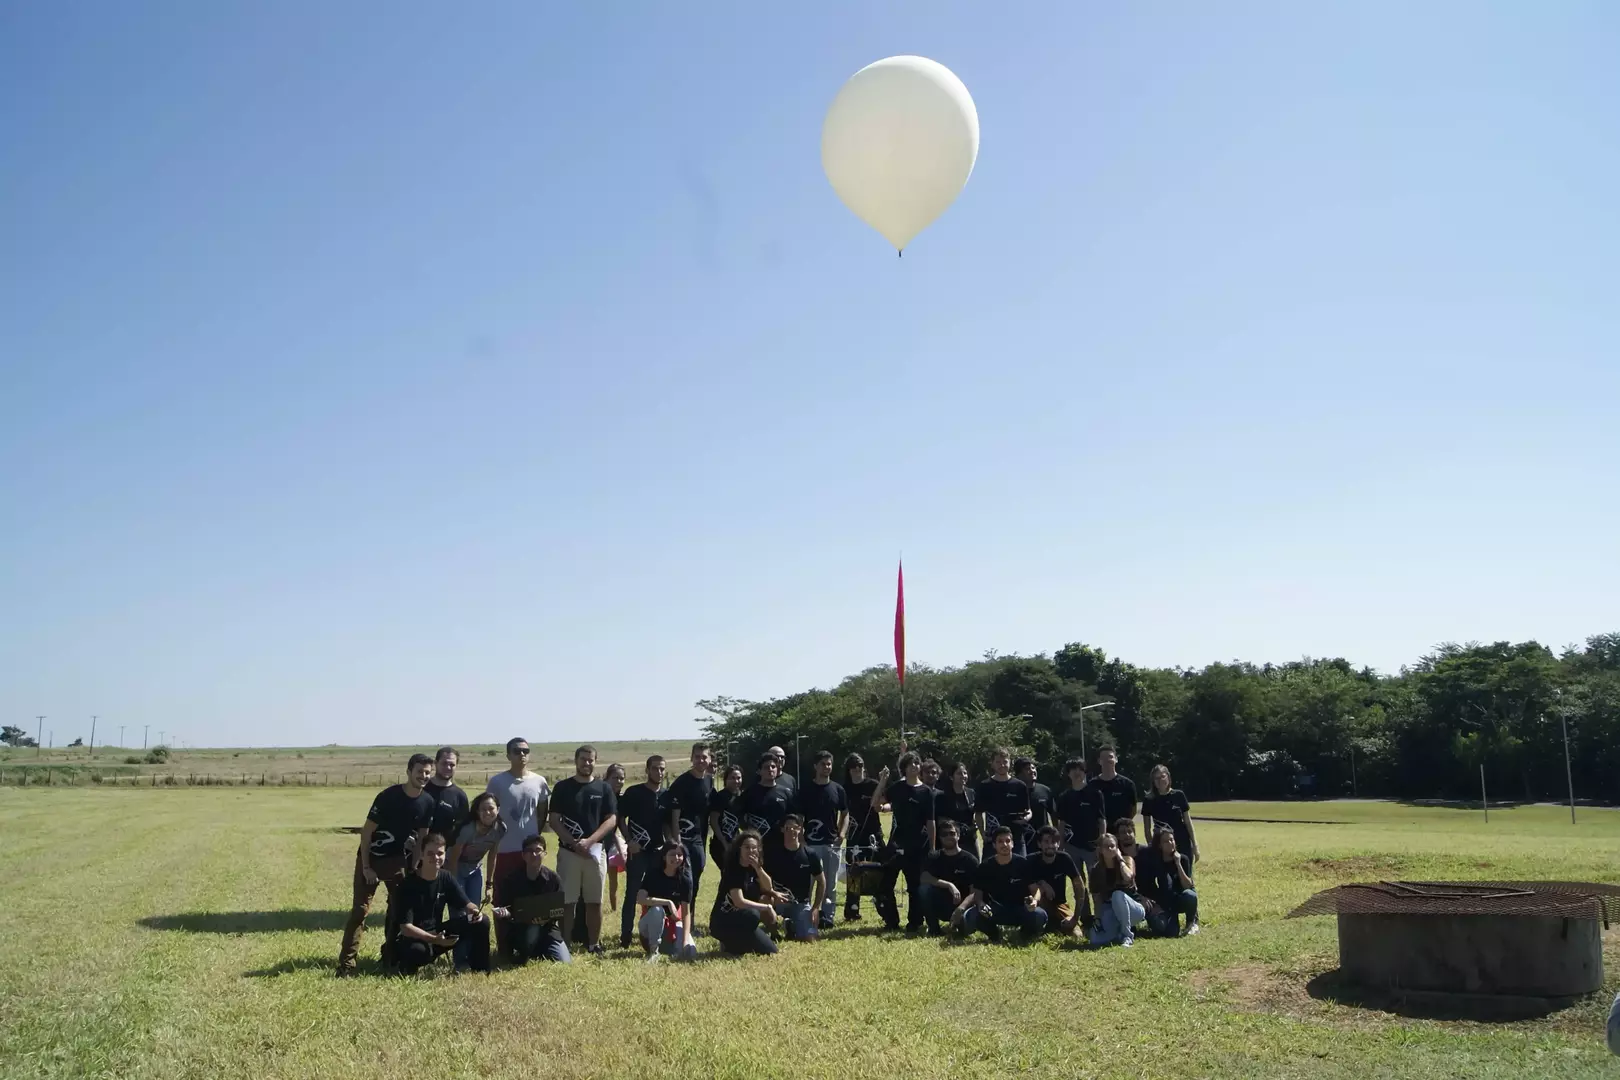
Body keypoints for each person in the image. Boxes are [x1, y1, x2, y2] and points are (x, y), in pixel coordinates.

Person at [336, 753, 437, 976]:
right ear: (409, 771)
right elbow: (367, 832)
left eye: (428, 772)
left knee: (397, 912)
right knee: (360, 912)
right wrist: (366, 867)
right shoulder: (388, 796)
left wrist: (415, 866)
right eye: (419, 771)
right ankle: (346, 964)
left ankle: (390, 957)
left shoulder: (427, 802)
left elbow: (422, 838)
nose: (424, 776)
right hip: (371, 857)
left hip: (397, 861)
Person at [548, 744, 619, 956]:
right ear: (576, 760)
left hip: (595, 853)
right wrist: (573, 843)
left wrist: (589, 842)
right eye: (583, 759)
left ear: (595, 762)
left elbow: (612, 819)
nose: (587, 763)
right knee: (567, 902)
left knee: (594, 901)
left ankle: (593, 944)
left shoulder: (604, 789)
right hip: (568, 853)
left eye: (591, 760)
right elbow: (554, 820)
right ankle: (565, 945)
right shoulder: (562, 787)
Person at [486, 737, 549, 960]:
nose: (522, 754)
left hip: (530, 851)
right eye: (516, 751)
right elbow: (489, 813)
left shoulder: (540, 782)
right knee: (501, 899)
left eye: (526, 750)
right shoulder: (497, 782)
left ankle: (527, 944)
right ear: (508, 755)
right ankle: (503, 946)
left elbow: (542, 813)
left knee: (529, 899)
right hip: (504, 849)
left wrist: (534, 839)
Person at [392, 832, 490, 975]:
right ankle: (404, 965)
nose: (436, 858)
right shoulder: (408, 885)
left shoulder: (445, 877)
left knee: (482, 922)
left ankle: (480, 968)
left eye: (440, 853)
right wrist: (434, 940)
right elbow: (406, 927)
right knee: (418, 952)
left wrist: (475, 911)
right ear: (422, 854)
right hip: (415, 937)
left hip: (439, 934)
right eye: (430, 853)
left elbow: (466, 904)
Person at [875, 751, 935, 933]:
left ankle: (915, 922)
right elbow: (876, 804)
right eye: (910, 764)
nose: (914, 766)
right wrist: (883, 781)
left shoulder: (926, 792)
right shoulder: (897, 788)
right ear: (904, 768)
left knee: (915, 886)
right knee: (885, 884)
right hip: (897, 843)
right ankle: (891, 920)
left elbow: (930, 822)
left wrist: (932, 847)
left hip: (919, 844)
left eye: (917, 763)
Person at [447, 792, 506, 971]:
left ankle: (473, 957)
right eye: (483, 810)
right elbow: (453, 859)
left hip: (474, 870)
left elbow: (492, 856)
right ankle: (459, 960)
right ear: (477, 812)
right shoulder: (467, 829)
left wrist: (489, 884)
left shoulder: (500, 829)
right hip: (455, 869)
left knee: (474, 915)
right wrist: (455, 888)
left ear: (498, 810)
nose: (488, 813)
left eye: (491, 809)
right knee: (459, 914)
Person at [493, 833, 570, 964]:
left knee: (565, 961)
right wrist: (505, 913)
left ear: (545, 853)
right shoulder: (511, 880)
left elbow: (560, 908)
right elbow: (504, 906)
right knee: (531, 932)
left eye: (538, 850)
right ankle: (526, 952)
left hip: (547, 929)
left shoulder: (553, 879)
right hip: (521, 929)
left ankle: (538, 949)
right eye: (529, 851)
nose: (534, 855)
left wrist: (546, 918)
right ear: (523, 855)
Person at [617, 754, 668, 948]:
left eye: (662, 768)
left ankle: (654, 934)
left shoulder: (666, 795)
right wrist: (629, 841)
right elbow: (621, 818)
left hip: (658, 852)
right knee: (632, 894)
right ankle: (625, 937)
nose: (659, 772)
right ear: (647, 770)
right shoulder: (634, 792)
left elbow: (667, 825)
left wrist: (669, 845)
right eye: (655, 768)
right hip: (638, 853)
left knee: (656, 894)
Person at [795, 750, 847, 930]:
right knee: (809, 882)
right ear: (815, 766)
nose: (827, 767)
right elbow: (799, 817)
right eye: (823, 764)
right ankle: (807, 913)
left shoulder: (838, 789)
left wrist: (842, 834)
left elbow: (845, 813)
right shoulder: (806, 790)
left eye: (829, 764)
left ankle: (827, 916)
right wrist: (801, 839)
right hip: (810, 845)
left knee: (831, 883)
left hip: (832, 843)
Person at [966, 827, 1047, 941]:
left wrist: (1034, 901)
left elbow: (1036, 890)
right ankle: (994, 934)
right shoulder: (985, 866)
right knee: (972, 915)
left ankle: (1025, 934)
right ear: (994, 845)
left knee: (1040, 915)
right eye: (1000, 841)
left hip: (1021, 908)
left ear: (1013, 844)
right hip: (996, 909)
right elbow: (977, 893)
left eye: (1008, 841)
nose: (1004, 844)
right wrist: (980, 904)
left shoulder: (1023, 864)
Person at [710, 829, 781, 956]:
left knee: (771, 951)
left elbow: (768, 886)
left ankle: (735, 944)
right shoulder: (733, 869)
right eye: (747, 847)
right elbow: (739, 902)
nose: (751, 851)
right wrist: (767, 907)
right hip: (723, 920)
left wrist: (758, 868)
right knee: (753, 914)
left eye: (754, 848)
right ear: (739, 849)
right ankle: (728, 941)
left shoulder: (754, 868)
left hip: (743, 920)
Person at [764, 815, 825, 942]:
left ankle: (790, 926)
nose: (792, 831)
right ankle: (774, 932)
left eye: (795, 827)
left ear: (801, 830)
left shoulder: (810, 854)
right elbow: (764, 880)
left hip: (800, 903)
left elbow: (821, 881)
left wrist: (815, 908)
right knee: (764, 899)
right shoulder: (773, 854)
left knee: (811, 939)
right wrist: (772, 894)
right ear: (782, 830)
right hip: (778, 901)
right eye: (788, 828)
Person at [634, 842, 697, 962]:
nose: (676, 858)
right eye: (672, 854)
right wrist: (667, 902)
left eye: (680, 855)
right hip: (649, 929)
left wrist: (685, 942)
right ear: (664, 856)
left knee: (691, 953)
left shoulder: (685, 880)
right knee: (658, 910)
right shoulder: (653, 874)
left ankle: (672, 948)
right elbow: (640, 899)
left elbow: (686, 914)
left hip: (672, 927)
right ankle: (653, 952)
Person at [667, 742, 715, 899]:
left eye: (704, 757)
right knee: (684, 877)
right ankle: (677, 916)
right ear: (691, 758)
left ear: (709, 759)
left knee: (697, 873)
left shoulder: (709, 781)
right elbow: (674, 815)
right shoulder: (682, 783)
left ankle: (689, 917)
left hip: (700, 837)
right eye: (697, 757)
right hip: (684, 839)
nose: (701, 760)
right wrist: (677, 843)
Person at [919, 818, 979, 936]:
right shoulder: (934, 857)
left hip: (964, 905)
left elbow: (975, 892)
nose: (948, 837)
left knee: (965, 932)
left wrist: (961, 908)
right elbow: (924, 878)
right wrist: (949, 885)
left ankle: (960, 923)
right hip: (942, 903)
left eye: (952, 833)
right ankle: (934, 929)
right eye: (944, 834)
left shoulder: (970, 860)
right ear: (940, 838)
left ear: (958, 836)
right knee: (923, 890)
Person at [841, 754, 882, 921]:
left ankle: (883, 906)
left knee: (878, 870)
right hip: (854, 834)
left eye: (860, 765)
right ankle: (852, 910)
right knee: (854, 871)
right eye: (854, 766)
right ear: (849, 770)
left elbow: (880, 801)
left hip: (874, 833)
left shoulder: (873, 785)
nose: (858, 769)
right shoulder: (844, 788)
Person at [1089, 833, 1146, 947]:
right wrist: (1098, 919)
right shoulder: (1096, 870)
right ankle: (1118, 933)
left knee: (1117, 895)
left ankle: (1127, 936)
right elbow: (1097, 899)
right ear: (1100, 850)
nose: (1110, 849)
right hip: (1112, 910)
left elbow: (1128, 877)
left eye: (1112, 846)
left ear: (1117, 848)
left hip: (1134, 910)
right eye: (1106, 846)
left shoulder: (1127, 860)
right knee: (1095, 940)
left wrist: (1120, 860)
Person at [1054, 758, 1106, 881]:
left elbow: (1102, 820)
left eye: (1080, 769)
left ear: (1085, 772)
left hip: (1092, 845)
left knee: (1095, 879)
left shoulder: (1095, 794)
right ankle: (1082, 901)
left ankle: (1099, 901)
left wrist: (1102, 842)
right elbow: (1062, 823)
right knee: (1077, 880)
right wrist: (1060, 844)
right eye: (1073, 769)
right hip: (1071, 845)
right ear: (1068, 773)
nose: (1077, 772)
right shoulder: (1064, 797)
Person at [975, 747, 1032, 859]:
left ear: (1010, 762)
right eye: (998, 762)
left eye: (1005, 762)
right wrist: (983, 834)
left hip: (1016, 838)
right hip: (993, 839)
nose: (1002, 765)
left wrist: (1025, 819)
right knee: (991, 873)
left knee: (1020, 872)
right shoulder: (984, 786)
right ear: (992, 764)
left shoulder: (1020, 785)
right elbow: (978, 813)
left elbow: (1028, 811)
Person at [1029, 825, 1085, 937]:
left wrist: (1075, 918)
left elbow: (1079, 886)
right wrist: (1042, 883)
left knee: (1077, 935)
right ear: (1039, 844)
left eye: (1054, 841)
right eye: (1046, 841)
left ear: (1058, 844)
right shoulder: (1031, 860)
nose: (1050, 845)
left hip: (1060, 905)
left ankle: (1055, 926)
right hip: (1039, 905)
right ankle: (1042, 926)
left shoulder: (1065, 859)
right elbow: (1026, 883)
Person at [1142, 828, 1200, 936]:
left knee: (1190, 895)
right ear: (1159, 845)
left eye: (1172, 840)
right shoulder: (1154, 862)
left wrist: (1178, 864)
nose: (1170, 843)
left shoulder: (1183, 859)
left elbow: (1188, 885)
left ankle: (1191, 923)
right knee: (1171, 933)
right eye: (1166, 841)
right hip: (1164, 903)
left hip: (1178, 899)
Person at [1142, 764, 1199, 863]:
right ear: (1153, 781)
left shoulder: (1179, 795)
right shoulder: (1149, 800)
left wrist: (1195, 845)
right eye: (1156, 778)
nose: (1160, 780)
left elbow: (1188, 823)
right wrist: (1152, 847)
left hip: (1182, 842)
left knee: (1185, 875)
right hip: (1162, 844)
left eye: (1163, 776)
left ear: (1168, 777)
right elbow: (1147, 830)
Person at [739, 753, 793, 840]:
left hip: (780, 843)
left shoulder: (786, 793)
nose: (770, 769)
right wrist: (748, 831)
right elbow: (740, 815)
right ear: (759, 771)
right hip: (757, 843)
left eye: (773, 767)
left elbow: (792, 818)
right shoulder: (749, 793)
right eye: (766, 767)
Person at [423, 746, 470, 843]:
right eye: (444, 763)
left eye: (452, 765)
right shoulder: (421, 789)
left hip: (445, 853)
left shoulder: (460, 796)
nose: (448, 767)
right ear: (435, 763)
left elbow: (463, 830)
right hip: (417, 852)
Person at [938, 762, 979, 860]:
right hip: (951, 838)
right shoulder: (943, 796)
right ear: (951, 777)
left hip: (970, 838)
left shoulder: (971, 793)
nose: (963, 776)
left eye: (965, 773)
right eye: (959, 773)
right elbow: (940, 819)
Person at [1091, 747, 1138, 831]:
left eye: (1110, 757)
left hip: (1121, 834)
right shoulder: (1092, 785)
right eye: (1104, 758)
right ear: (1099, 761)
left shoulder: (1127, 784)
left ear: (1116, 759)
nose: (1107, 760)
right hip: (1099, 834)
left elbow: (1133, 810)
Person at [602, 762, 628, 918]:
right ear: (607, 778)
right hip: (597, 842)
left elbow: (618, 825)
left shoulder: (620, 799)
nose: (619, 781)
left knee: (613, 880)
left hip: (612, 842)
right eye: (615, 778)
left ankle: (613, 910)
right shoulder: (601, 795)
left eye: (622, 778)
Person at [708, 764, 746, 867]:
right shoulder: (720, 796)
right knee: (727, 873)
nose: (736, 781)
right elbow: (713, 821)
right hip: (720, 844)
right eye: (732, 778)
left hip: (736, 842)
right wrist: (724, 842)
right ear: (726, 779)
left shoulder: (741, 797)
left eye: (739, 778)